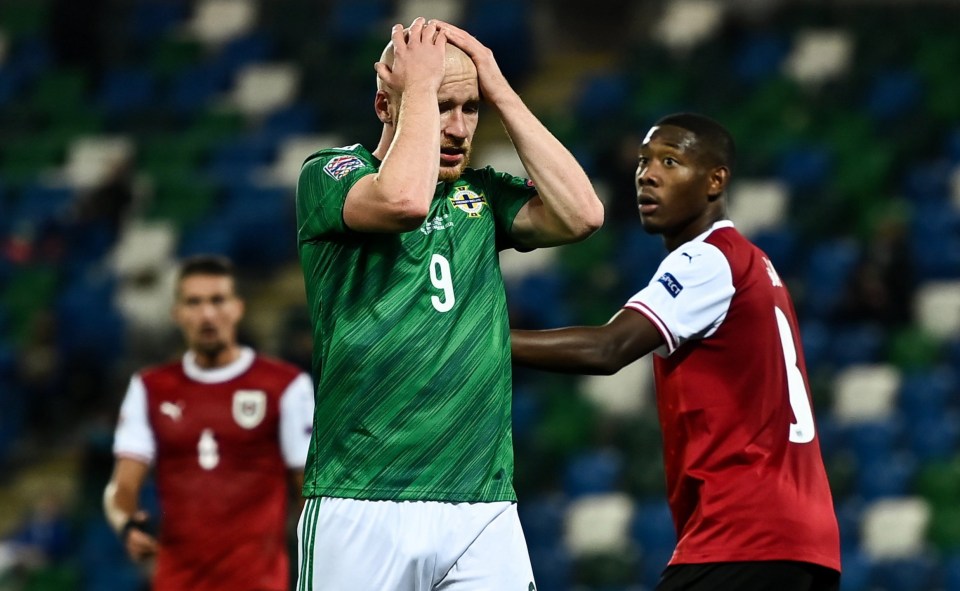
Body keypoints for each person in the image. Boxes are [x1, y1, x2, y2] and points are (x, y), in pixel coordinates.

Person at [294, 16, 604, 591]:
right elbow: (404, 200)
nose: (459, 127)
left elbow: (582, 214)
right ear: (385, 103)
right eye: (441, 105)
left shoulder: (479, 195)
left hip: (480, 502)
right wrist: (416, 88)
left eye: (469, 106)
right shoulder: (331, 175)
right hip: (362, 497)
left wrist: (501, 89)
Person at [511, 113, 841, 591]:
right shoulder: (754, 262)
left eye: (671, 161)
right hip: (802, 542)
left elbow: (608, 348)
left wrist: (473, 336)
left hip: (745, 533)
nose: (647, 174)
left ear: (715, 180)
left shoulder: (707, 259)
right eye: (644, 161)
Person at [103, 255, 315, 591]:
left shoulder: (284, 386)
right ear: (177, 313)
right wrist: (126, 523)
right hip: (176, 582)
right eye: (194, 302)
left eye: (217, 300)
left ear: (238, 308)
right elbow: (122, 486)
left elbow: (308, 490)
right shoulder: (150, 388)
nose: (207, 314)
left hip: (259, 582)